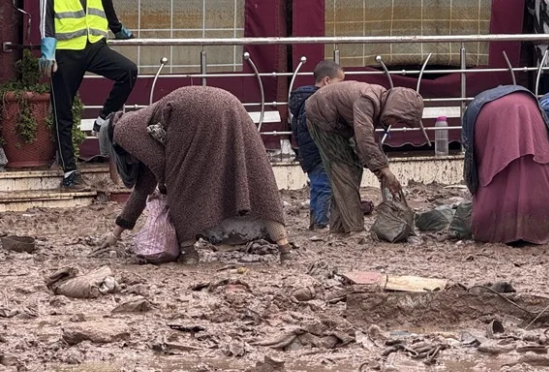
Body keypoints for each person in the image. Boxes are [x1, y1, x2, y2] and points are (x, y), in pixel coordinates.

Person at [94, 86, 291, 265]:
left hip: (193, 111)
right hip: (230, 102)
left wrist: (165, 191)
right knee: (253, 174)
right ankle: (284, 248)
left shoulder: (122, 129)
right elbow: (144, 186)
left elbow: (161, 166)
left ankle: (188, 251)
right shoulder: (140, 123)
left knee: (181, 183)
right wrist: (117, 232)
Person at [39, 0, 138, 190]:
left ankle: (101, 121)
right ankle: (69, 172)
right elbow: (46, 20)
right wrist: (48, 52)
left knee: (128, 71)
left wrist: (117, 29)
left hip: (95, 47)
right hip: (66, 52)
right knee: (63, 113)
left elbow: (106, 5)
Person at [304, 82, 424, 234]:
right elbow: (364, 138)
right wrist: (384, 170)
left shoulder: (377, 100)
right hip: (323, 118)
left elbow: (364, 143)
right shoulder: (367, 100)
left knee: (349, 171)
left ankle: (339, 227)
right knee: (345, 172)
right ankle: (354, 229)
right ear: (394, 110)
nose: (396, 124)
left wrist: (380, 172)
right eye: (399, 120)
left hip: (337, 122)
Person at [463, 86, 549, 245]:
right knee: (536, 169)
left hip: (487, 113)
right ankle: (539, 227)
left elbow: (474, 158)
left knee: (493, 167)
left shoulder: (475, 107)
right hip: (528, 108)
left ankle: (495, 231)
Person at [289, 61, 345, 230]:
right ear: (327, 81)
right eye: (339, 83)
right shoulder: (317, 102)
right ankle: (322, 222)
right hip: (319, 152)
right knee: (325, 187)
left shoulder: (303, 100)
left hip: (309, 153)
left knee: (318, 187)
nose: (341, 88)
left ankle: (316, 221)